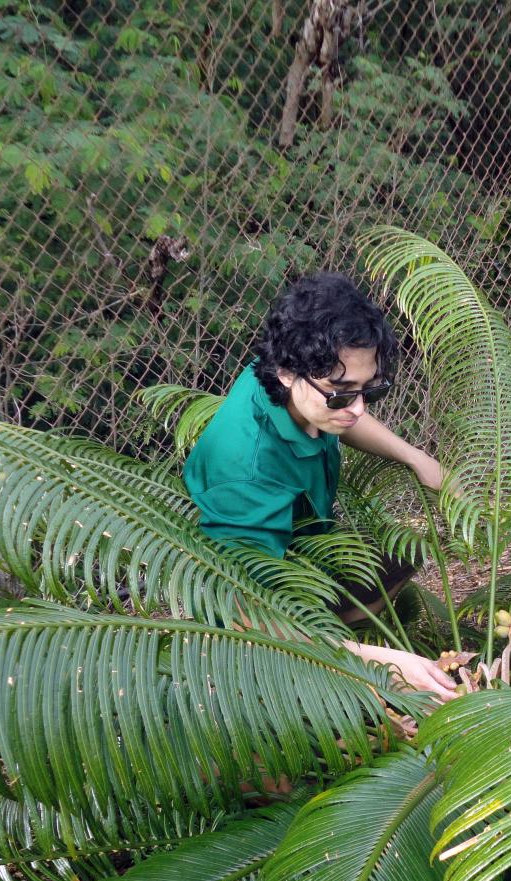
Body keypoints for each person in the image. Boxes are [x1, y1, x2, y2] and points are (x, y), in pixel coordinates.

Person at [185, 272, 457, 701]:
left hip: (304, 554)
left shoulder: (290, 386)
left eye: (370, 390)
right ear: (288, 373)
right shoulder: (245, 470)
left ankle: (339, 645)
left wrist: (418, 459)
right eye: (342, 393)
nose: (358, 408)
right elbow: (241, 614)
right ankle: (308, 676)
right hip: (256, 606)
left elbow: (348, 414)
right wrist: (378, 662)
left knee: (403, 553)